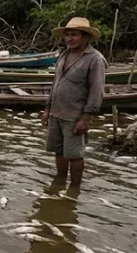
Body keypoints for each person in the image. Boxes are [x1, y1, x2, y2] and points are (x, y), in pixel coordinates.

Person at [41, 17, 106, 186]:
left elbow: (96, 90)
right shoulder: (64, 55)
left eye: (74, 34)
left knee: (74, 154)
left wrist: (86, 118)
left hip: (75, 115)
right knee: (58, 150)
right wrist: (47, 109)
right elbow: (55, 83)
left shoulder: (94, 59)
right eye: (67, 34)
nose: (70, 38)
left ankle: (75, 189)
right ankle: (60, 180)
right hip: (57, 112)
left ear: (85, 37)